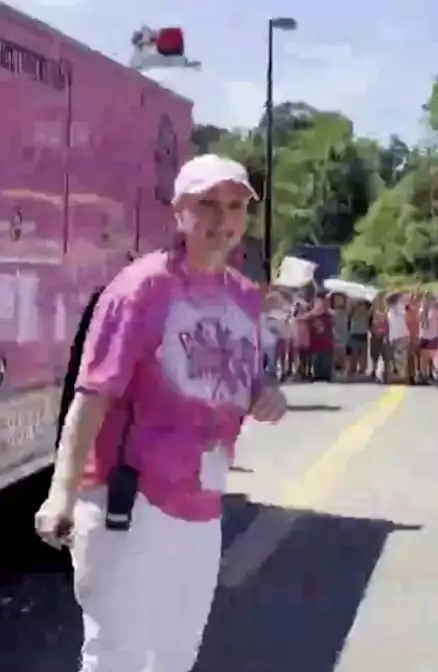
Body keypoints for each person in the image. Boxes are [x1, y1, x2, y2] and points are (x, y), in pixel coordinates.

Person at [33, 154, 288, 672]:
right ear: (179, 212)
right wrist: (61, 493)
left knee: (176, 656)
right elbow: (93, 393)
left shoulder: (243, 297)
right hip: (126, 500)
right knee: (118, 657)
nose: (223, 220)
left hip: (202, 503)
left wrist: (268, 394)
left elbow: (243, 376)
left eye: (236, 207)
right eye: (208, 205)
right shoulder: (140, 288)